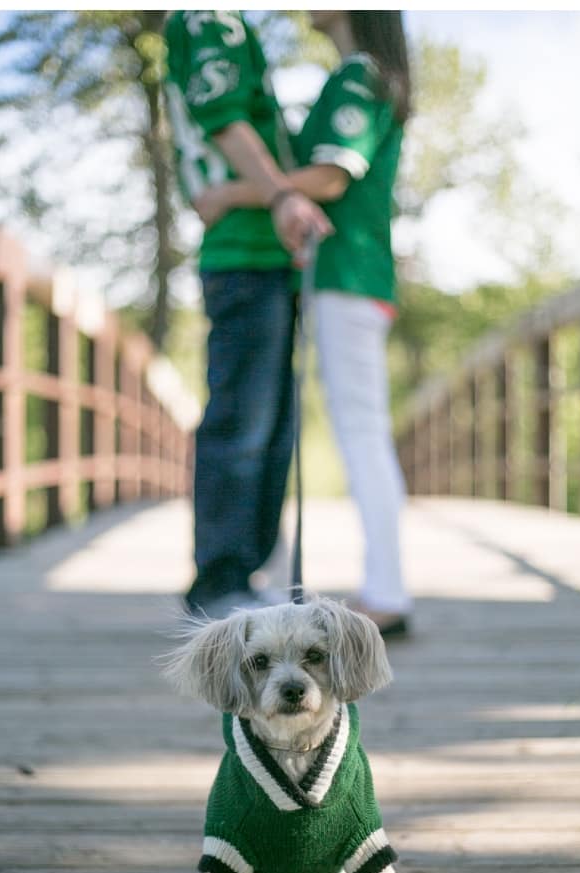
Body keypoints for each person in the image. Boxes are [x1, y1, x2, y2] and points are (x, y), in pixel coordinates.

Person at [192, 11, 413, 636]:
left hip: (348, 276)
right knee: (360, 428)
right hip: (347, 279)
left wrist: (231, 193)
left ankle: (387, 592)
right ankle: (385, 586)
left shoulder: (358, 77)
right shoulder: (361, 76)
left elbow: (331, 177)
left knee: (362, 430)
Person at [163, 11, 334, 620]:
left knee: (273, 425)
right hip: (244, 255)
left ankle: (243, 572)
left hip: (268, 258)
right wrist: (284, 193)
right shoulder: (210, 18)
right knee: (243, 424)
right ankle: (219, 581)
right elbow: (225, 118)